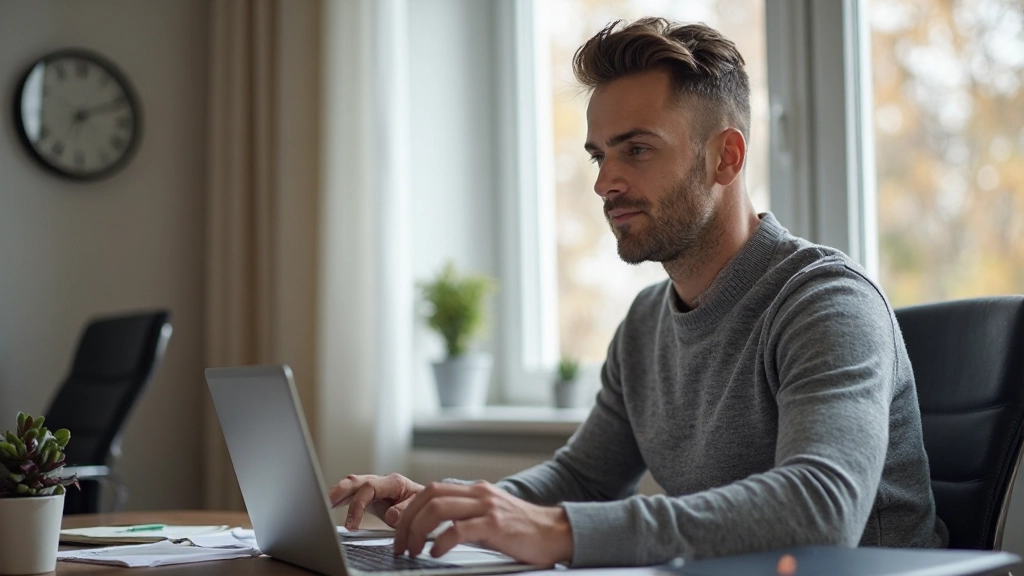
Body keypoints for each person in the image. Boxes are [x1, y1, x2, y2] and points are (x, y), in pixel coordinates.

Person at [330, 17, 949, 567]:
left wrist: (560, 531)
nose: (605, 183)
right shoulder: (645, 323)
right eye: (599, 156)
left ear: (725, 158)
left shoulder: (825, 302)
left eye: (636, 149)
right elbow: (583, 479)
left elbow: (821, 509)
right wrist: (454, 508)